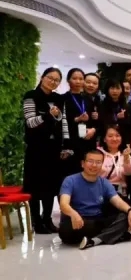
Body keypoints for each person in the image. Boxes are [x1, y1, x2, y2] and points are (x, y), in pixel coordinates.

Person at [58, 149, 131, 249]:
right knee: (66, 230)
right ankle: (114, 235)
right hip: (77, 223)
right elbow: (63, 204)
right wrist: (73, 214)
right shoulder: (70, 180)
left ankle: (95, 241)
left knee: (124, 217)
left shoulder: (104, 183)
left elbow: (117, 201)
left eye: (98, 162)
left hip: (97, 222)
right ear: (83, 164)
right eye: (90, 161)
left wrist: (130, 210)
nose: (94, 165)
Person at [22, 67, 66, 234]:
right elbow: (30, 122)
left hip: (53, 148)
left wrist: (65, 144)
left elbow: (62, 122)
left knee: (51, 186)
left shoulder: (58, 98)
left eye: (56, 80)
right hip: (36, 148)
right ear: (42, 77)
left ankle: (47, 218)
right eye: (50, 78)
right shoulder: (31, 96)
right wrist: (48, 115)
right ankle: (36, 221)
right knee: (35, 186)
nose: (52, 82)